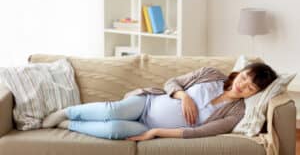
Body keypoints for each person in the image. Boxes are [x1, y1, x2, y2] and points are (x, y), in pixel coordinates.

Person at [42, 63, 277, 141]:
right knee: (113, 109)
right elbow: (171, 82)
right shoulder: (211, 74)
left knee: (115, 129)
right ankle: (65, 111)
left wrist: (154, 132)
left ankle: (68, 124)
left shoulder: (237, 112)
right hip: (148, 103)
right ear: (241, 71)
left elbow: (200, 132)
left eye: (251, 87)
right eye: (245, 77)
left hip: (147, 125)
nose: (242, 85)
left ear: (254, 93)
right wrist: (183, 96)